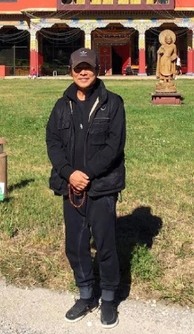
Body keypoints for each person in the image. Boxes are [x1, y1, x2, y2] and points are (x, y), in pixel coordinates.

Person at [46, 48, 126, 328]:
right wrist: (69, 174)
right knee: (76, 245)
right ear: (70, 71)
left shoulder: (112, 103)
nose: (83, 72)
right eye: (78, 68)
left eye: (88, 67)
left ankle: (109, 298)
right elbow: (53, 143)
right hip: (71, 187)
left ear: (97, 70)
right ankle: (85, 294)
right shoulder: (61, 106)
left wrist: (87, 174)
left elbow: (114, 146)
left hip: (101, 186)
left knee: (105, 244)